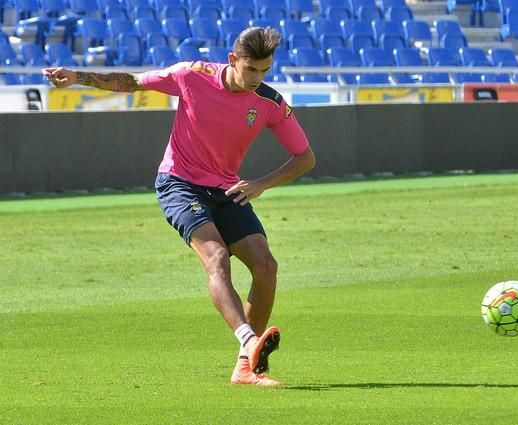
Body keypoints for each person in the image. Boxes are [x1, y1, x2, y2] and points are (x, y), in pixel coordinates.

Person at [43, 27, 316, 386]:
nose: (257, 79)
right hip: (179, 183)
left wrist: (260, 184)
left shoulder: (269, 102)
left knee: (266, 267)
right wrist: (78, 77)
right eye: (251, 70)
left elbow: (305, 158)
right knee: (216, 257)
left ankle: (244, 369)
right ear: (233, 60)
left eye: (265, 71)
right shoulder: (192, 75)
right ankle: (250, 342)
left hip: (226, 189)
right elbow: (134, 82)